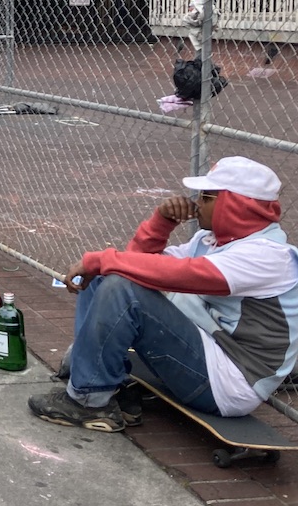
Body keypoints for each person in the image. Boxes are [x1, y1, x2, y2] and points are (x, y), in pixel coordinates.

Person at [28, 156, 298, 433]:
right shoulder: (211, 241)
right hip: (206, 356)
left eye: (206, 196)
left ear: (236, 206)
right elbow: (136, 263)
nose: (197, 202)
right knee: (108, 276)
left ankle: (88, 402)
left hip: (231, 384)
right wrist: (161, 222)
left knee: (123, 287)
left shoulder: (269, 256)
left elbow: (178, 274)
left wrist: (101, 259)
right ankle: (106, 384)